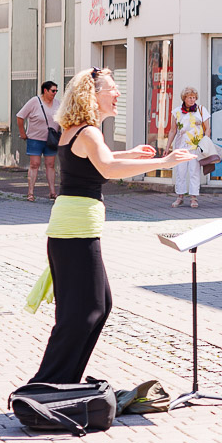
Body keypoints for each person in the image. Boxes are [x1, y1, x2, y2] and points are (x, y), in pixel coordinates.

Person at [31, 68, 195, 385]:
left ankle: (64, 380)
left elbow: (95, 161)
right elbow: (107, 167)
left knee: (98, 305)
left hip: (73, 229)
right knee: (83, 312)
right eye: (111, 88)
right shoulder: (89, 133)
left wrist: (128, 153)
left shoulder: (79, 130)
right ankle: (48, 383)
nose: (117, 93)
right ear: (92, 96)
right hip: (74, 231)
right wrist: (163, 163)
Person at [16, 80, 59, 201]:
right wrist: (22, 133)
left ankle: (52, 192)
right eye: (53, 91)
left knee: (50, 164)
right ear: (45, 90)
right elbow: (20, 116)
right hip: (35, 138)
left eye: (56, 91)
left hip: (51, 139)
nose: (55, 93)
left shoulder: (57, 104)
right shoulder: (35, 102)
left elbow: (61, 119)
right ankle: (30, 192)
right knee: (34, 164)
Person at [166, 86, 209, 209]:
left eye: (194, 98)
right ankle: (180, 196)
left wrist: (206, 143)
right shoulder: (176, 112)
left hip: (196, 146)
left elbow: (207, 128)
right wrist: (167, 146)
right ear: (184, 98)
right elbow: (173, 130)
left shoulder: (201, 110)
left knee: (194, 171)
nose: (192, 100)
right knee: (180, 172)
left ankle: (194, 197)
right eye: (190, 97)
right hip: (181, 146)